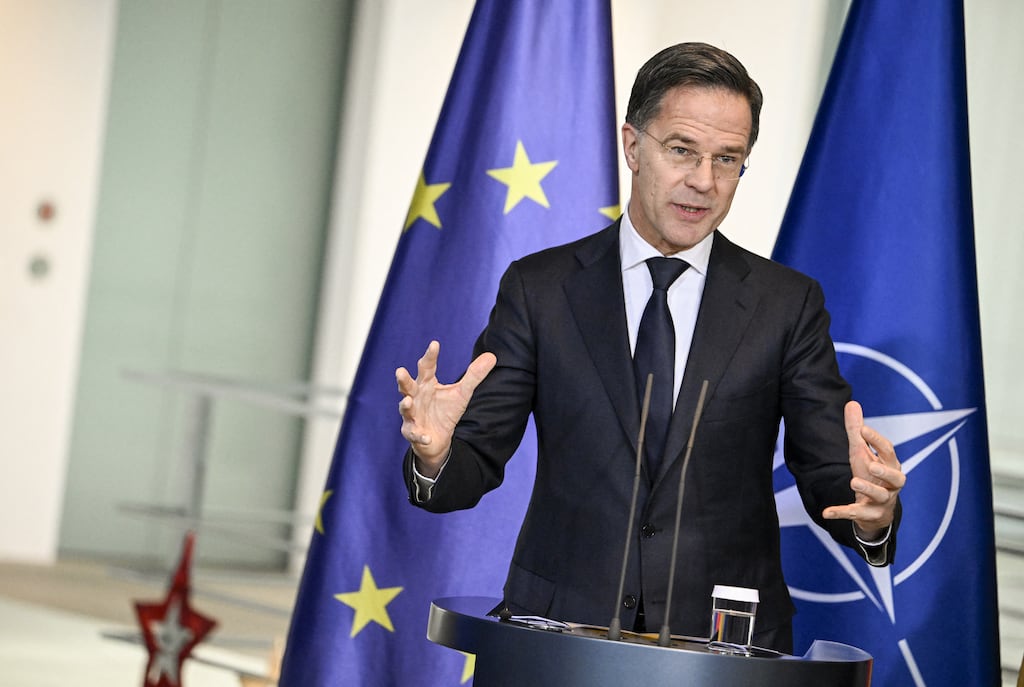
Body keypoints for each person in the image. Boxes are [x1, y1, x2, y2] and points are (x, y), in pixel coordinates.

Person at [395, 42, 904, 654]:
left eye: (727, 159)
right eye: (682, 150)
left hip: (722, 647)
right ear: (633, 147)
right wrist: (436, 455)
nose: (704, 181)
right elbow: (468, 469)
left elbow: (830, 475)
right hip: (559, 639)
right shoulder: (541, 289)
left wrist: (874, 515)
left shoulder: (786, 304)